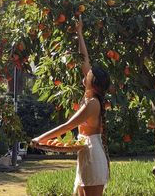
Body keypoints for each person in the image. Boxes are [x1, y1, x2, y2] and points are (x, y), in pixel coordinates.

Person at [31, 16, 110, 196]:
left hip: (92, 156)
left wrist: (40, 138)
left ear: (93, 83)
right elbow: (84, 60)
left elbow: (68, 126)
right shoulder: (91, 94)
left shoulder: (92, 103)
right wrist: (79, 33)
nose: (86, 72)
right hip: (87, 154)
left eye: (89, 74)